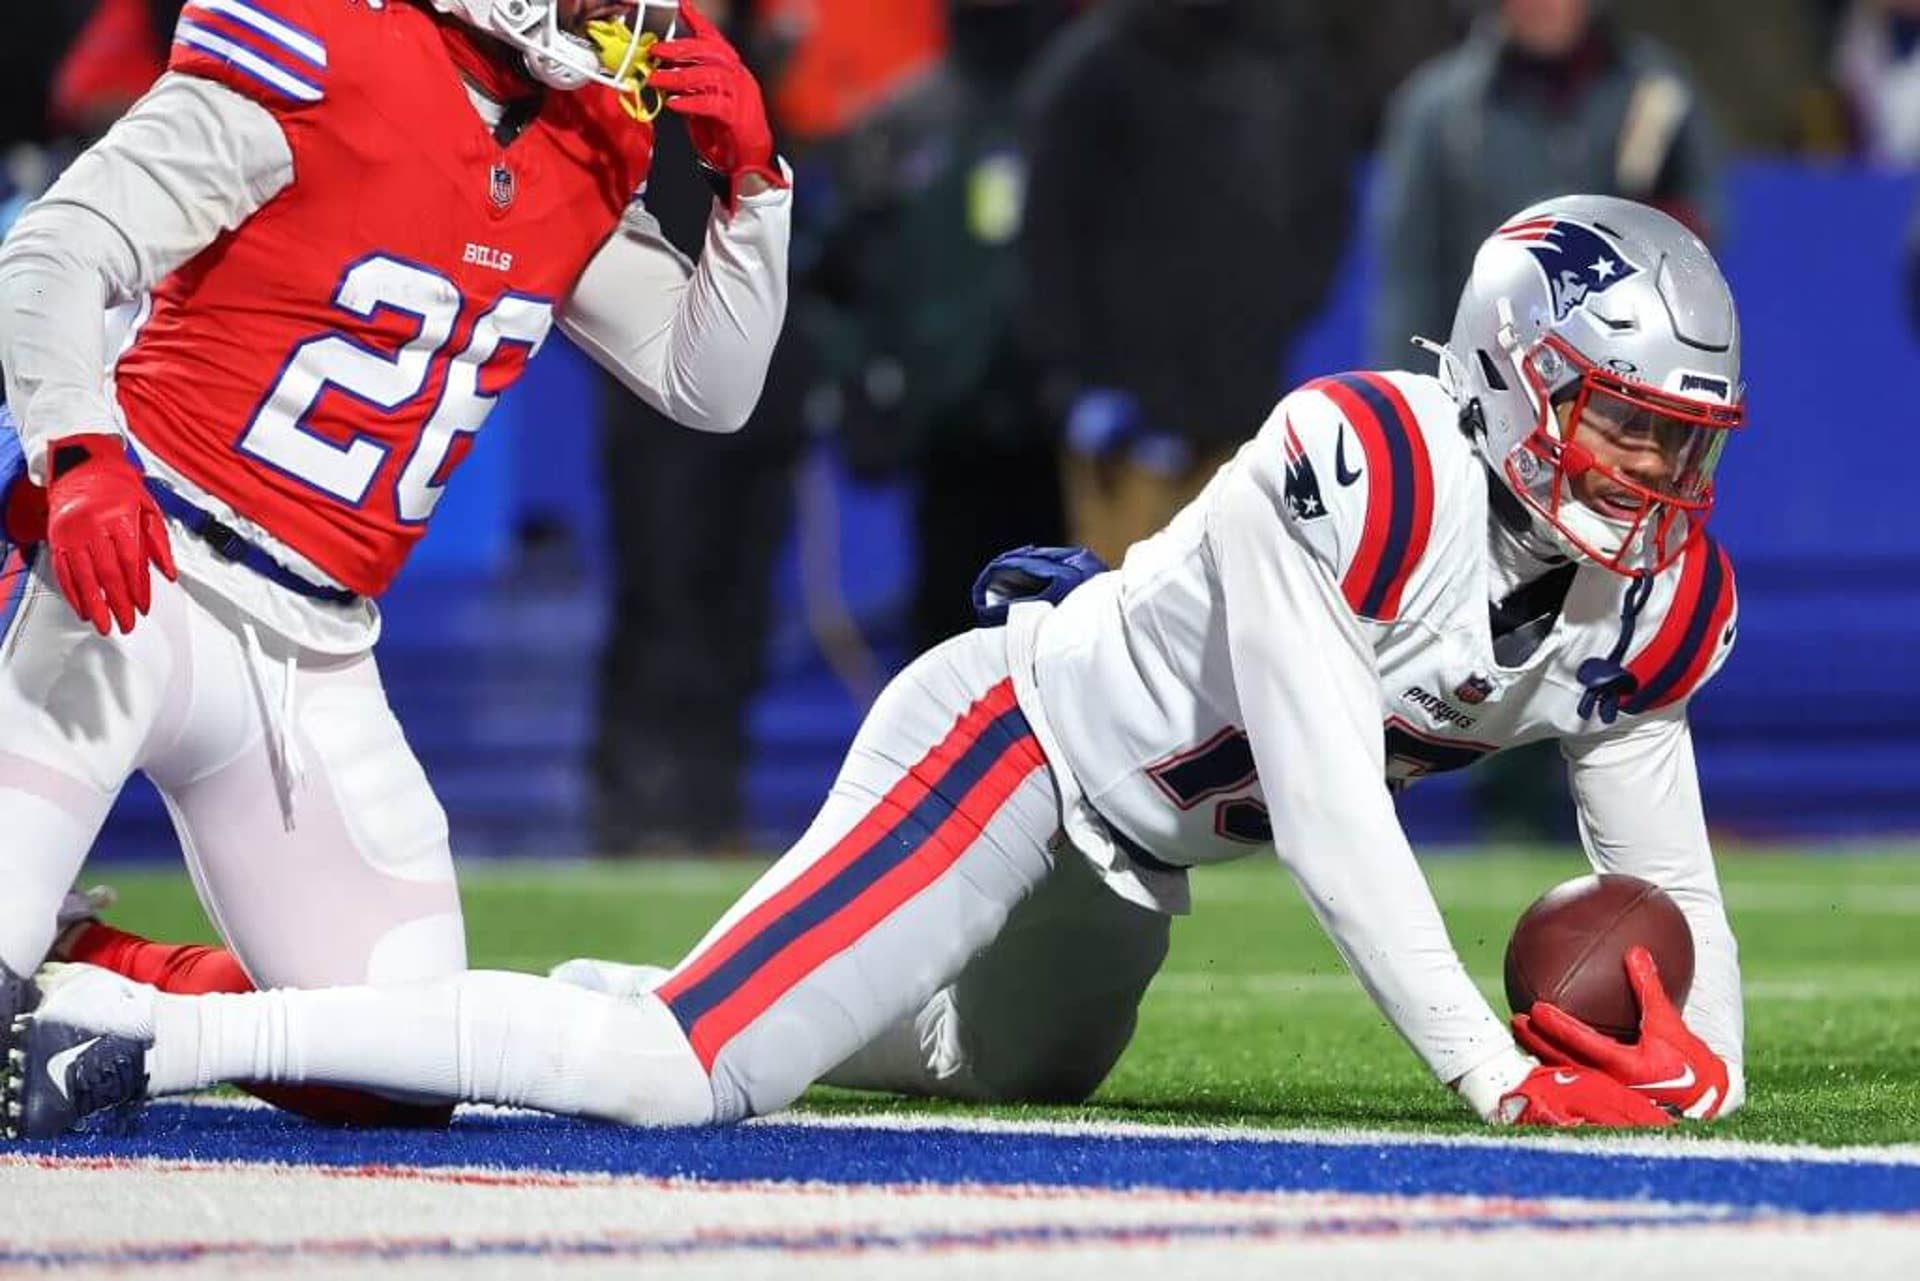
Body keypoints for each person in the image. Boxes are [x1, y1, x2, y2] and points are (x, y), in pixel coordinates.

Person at [6, 196, 1746, 1139]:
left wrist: (1701, 1062)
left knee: (1015, 1079)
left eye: (1685, 448)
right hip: (1013, 751)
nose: (1658, 487)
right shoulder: (1365, 466)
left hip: (1137, 861)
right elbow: (1327, 801)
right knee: (695, 1077)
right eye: (1629, 433)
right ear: (1519, 383)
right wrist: (1490, 1070)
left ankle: (647, 984)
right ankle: (144, 1028)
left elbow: (1660, 874)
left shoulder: (1642, 604)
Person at [0, 0, 790, 1127]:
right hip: (133, 570)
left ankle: (97, 978)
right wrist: (80, 452)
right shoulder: (327, 51)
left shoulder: (586, 131)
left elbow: (706, 383)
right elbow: (57, 243)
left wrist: (755, 191)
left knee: (393, 1070)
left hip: (320, 646)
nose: (619, 12)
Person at [1021, 0, 1356, 568]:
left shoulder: (1286, 62)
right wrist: (1072, 379)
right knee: (1115, 627)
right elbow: (1046, 232)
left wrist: (1273, 317)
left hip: (1242, 417)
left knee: (1236, 624)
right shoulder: (1093, 67)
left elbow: (1324, 208)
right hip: (1122, 437)